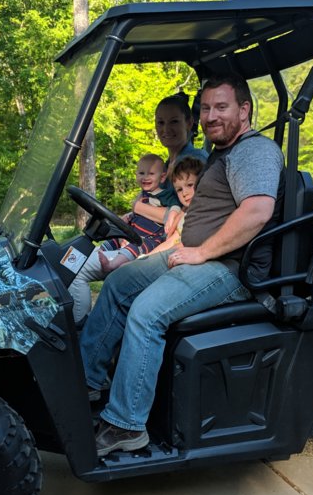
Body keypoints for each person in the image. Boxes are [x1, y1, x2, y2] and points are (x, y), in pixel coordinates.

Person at [80, 75, 284, 456]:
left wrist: (202, 251)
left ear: (244, 110)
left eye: (221, 107)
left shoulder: (254, 151)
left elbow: (257, 211)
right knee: (120, 282)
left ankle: (126, 425)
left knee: (146, 311)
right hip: (196, 254)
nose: (211, 116)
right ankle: (86, 383)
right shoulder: (220, 153)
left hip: (230, 268)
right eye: (205, 108)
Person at [69, 154, 181, 323]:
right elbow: (138, 213)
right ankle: (101, 252)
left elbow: (175, 206)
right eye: (141, 173)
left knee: (75, 267)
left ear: (163, 177)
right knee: (109, 242)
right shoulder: (143, 195)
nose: (145, 177)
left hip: (147, 240)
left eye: (151, 174)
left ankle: (80, 322)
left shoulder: (164, 195)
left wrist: (172, 213)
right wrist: (129, 216)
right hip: (131, 234)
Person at [102, 155, 203, 273]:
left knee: (121, 272)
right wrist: (145, 259)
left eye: (190, 185)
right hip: (164, 255)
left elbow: (174, 242)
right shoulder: (183, 213)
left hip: (173, 259)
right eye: (179, 190)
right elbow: (171, 241)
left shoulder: (200, 213)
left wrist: (145, 259)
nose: (185, 193)